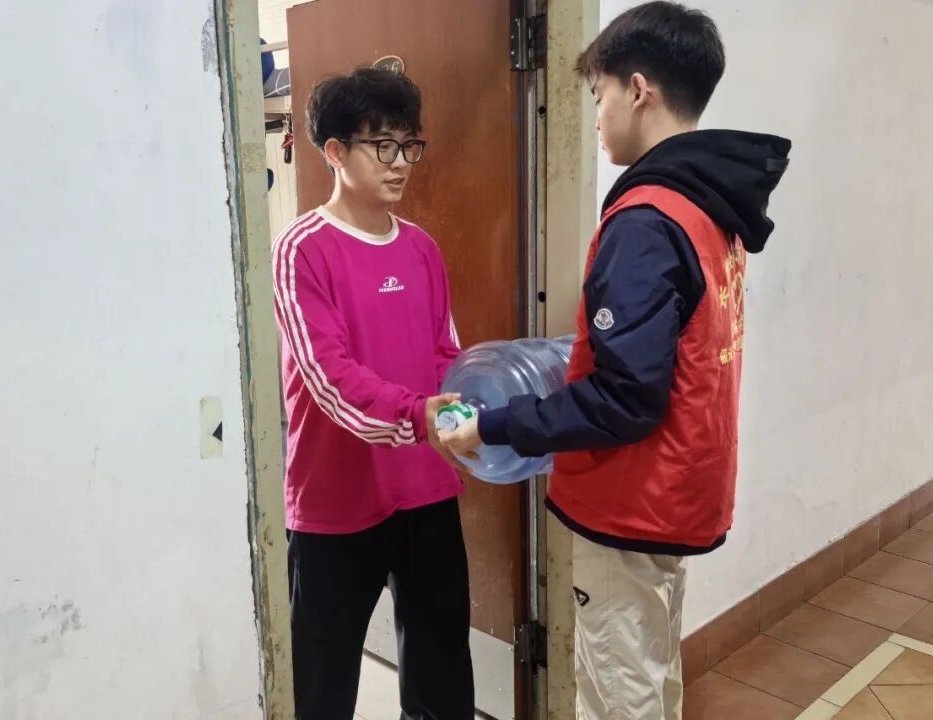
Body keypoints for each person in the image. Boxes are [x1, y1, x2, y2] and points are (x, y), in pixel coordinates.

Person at [440, 3, 791, 718]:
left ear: (638, 90)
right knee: (651, 672)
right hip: (679, 490)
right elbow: (666, 358)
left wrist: (496, 426)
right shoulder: (709, 207)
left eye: (597, 95)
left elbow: (624, 398)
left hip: (632, 500)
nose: (596, 117)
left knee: (617, 695)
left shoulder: (646, 221)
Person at [272, 67, 473, 720]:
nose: (400, 162)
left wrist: (468, 412)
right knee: (321, 687)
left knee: (443, 675)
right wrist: (417, 416)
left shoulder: (421, 248)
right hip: (335, 499)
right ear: (335, 151)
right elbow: (328, 376)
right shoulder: (303, 249)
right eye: (381, 145)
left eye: (409, 145)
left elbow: (444, 354)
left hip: (426, 488)